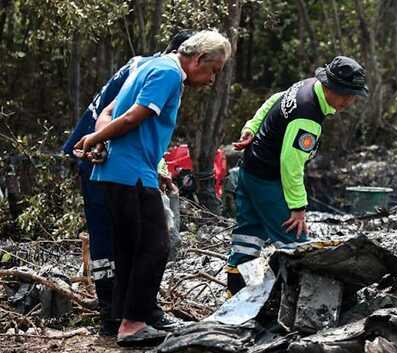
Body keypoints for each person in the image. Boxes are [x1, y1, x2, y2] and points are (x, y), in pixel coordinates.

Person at [73, 30, 231, 346]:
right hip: (130, 173)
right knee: (155, 246)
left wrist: (143, 163)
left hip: (125, 171)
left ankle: (125, 320)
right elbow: (133, 117)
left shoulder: (150, 65)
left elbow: (111, 111)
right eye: (213, 70)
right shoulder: (170, 73)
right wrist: (94, 139)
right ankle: (133, 324)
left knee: (131, 248)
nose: (212, 80)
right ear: (198, 59)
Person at [61, 30, 194, 336]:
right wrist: (98, 143)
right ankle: (112, 311)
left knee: (135, 239)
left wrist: (156, 167)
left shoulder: (152, 68)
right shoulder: (156, 70)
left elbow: (141, 131)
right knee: (115, 238)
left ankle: (134, 311)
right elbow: (109, 115)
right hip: (97, 155)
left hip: (114, 155)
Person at [227, 56, 368, 296]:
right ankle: (302, 299)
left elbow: (274, 100)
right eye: (346, 94)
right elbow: (290, 164)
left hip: (249, 170)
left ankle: (237, 294)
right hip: (269, 180)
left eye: (353, 95)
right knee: (296, 243)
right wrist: (298, 207)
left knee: (248, 235)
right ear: (330, 87)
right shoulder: (308, 117)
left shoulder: (307, 85)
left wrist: (251, 126)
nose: (349, 101)